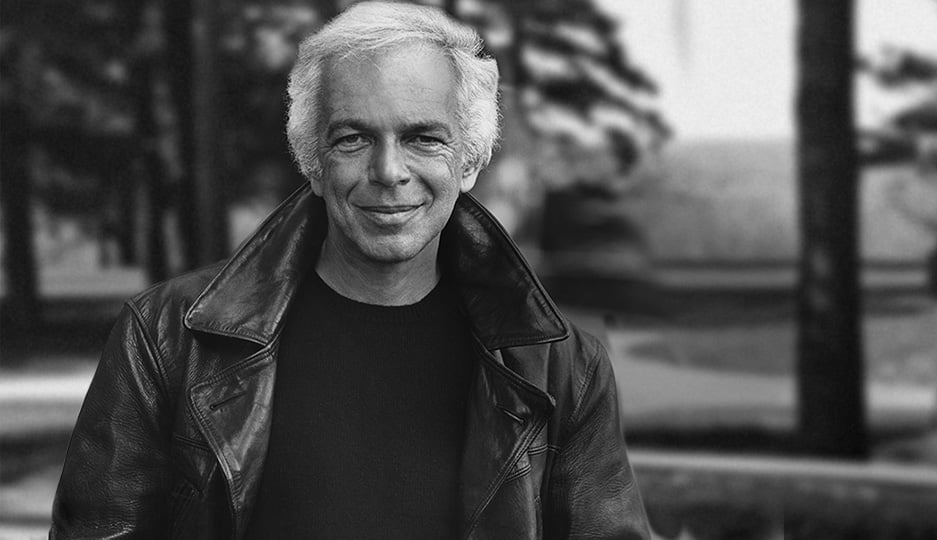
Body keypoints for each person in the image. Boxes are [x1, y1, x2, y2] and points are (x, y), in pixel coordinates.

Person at [50, 3, 650, 538]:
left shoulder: (562, 368)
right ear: (313, 162)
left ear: (468, 163)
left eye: (423, 138)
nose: (389, 172)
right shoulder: (167, 338)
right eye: (354, 139)